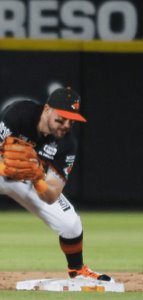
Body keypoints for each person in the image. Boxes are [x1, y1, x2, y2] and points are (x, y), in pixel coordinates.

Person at [0, 87, 113, 282]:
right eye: (61, 118)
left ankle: (77, 270)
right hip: (2, 169)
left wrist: (37, 178)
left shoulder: (67, 145)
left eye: (71, 120)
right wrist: (5, 167)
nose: (66, 125)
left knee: (71, 224)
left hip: (29, 181)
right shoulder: (20, 113)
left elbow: (51, 195)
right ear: (46, 109)